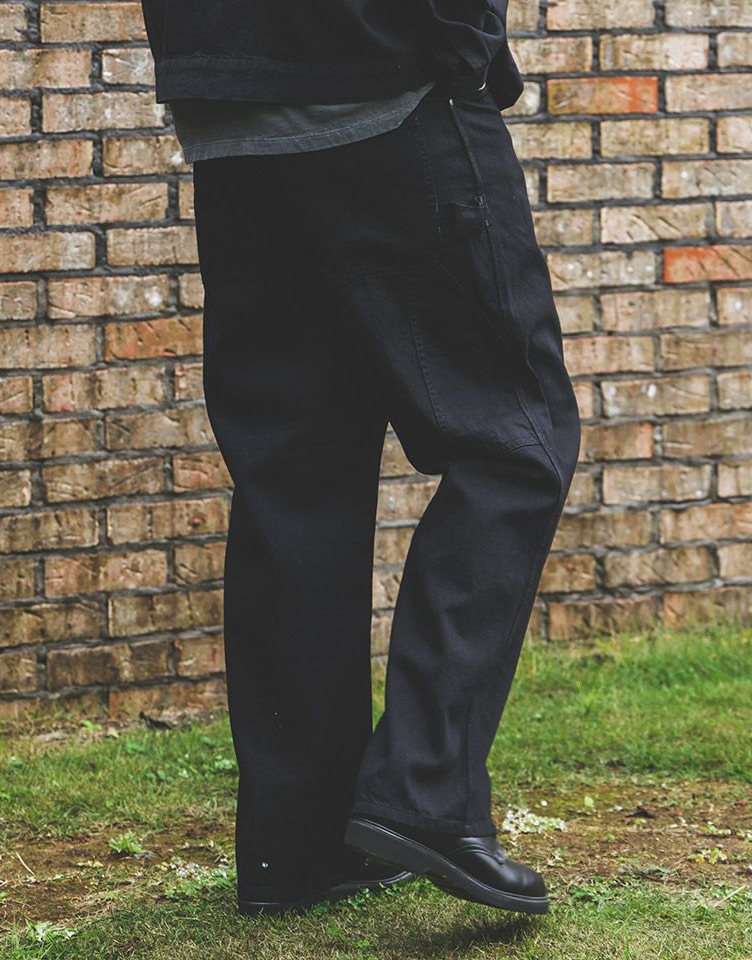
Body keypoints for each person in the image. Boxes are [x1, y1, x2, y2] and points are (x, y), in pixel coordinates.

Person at [140, 0, 581, 917]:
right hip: (386, 84)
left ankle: (296, 848)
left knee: (294, 481)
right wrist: (462, 42)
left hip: (231, 110)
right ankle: (423, 792)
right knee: (515, 440)